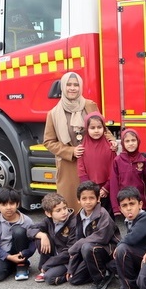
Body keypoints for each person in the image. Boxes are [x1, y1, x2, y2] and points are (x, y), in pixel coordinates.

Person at [44, 71, 116, 212]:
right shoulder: (53, 113)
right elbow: (49, 141)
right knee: (71, 206)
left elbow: (103, 129)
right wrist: (71, 151)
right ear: (63, 87)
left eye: (76, 85)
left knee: (93, 204)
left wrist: (112, 141)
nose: (72, 88)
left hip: (92, 163)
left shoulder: (89, 105)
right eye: (69, 85)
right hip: (69, 166)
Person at [67, 181, 121, 289]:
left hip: (108, 250)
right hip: (89, 253)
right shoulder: (79, 216)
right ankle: (103, 269)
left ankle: (102, 277)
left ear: (98, 199)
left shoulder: (103, 214)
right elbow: (77, 243)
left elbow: (102, 237)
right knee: (74, 280)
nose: (88, 202)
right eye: (84, 198)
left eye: (91, 198)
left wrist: (79, 244)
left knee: (87, 247)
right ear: (78, 200)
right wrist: (71, 268)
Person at [108, 187, 146, 289]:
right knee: (112, 264)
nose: (129, 208)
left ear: (140, 204)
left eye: (132, 204)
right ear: (120, 209)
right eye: (124, 206)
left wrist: (119, 246)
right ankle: (145, 278)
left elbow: (132, 238)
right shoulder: (129, 221)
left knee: (122, 249)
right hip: (142, 254)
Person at [0, 187, 35, 282]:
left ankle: (21, 264)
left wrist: (27, 253)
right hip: (5, 253)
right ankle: (13, 264)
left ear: (17, 204)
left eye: (12, 203)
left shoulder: (26, 221)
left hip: (21, 251)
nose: (8, 207)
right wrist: (8, 257)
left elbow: (33, 242)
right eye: (4, 204)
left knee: (18, 231)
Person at [27, 193, 76, 285]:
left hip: (67, 260)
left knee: (49, 278)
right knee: (39, 238)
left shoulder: (73, 223)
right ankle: (47, 267)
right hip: (55, 256)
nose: (64, 212)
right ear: (48, 214)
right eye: (58, 210)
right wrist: (43, 236)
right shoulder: (48, 221)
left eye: (65, 208)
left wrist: (48, 264)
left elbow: (70, 250)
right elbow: (30, 230)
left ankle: (69, 274)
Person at [78, 112, 117, 217]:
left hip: (105, 190)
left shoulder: (110, 147)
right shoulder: (82, 147)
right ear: (87, 129)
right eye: (92, 128)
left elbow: (113, 170)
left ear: (104, 128)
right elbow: (81, 170)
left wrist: (106, 188)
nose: (96, 130)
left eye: (99, 127)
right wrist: (88, 189)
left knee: (106, 215)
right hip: (90, 190)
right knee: (91, 215)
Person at [110, 129, 146, 215]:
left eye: (133, 140)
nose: (131, 143)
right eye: (127, 141)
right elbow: (114, 185)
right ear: (123, 143)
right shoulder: (117, 161)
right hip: (125, 204)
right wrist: (116, 208)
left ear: (138, 141)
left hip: (141, 204)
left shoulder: (144, 160)